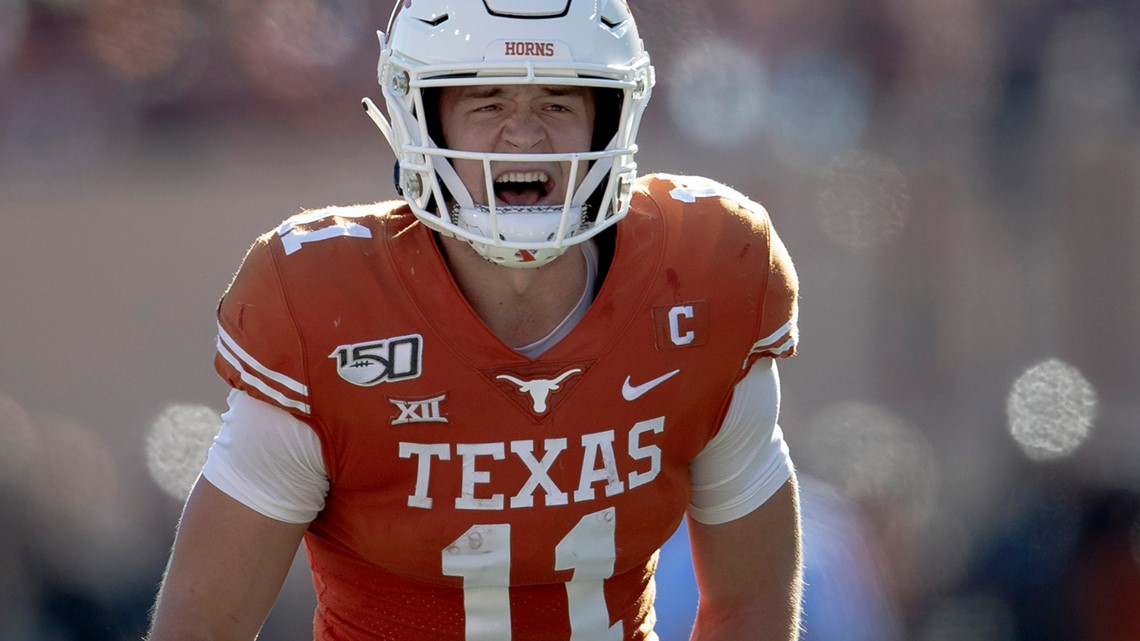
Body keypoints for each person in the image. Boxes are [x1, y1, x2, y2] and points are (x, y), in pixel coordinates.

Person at [146, 1, 804, 639]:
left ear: (612, 117)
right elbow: (202, 625)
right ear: (421, 117)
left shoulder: (704, 274)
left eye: (559, 102)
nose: (524, 134)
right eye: (487, 102)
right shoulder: (326, 306)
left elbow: (749, 605)